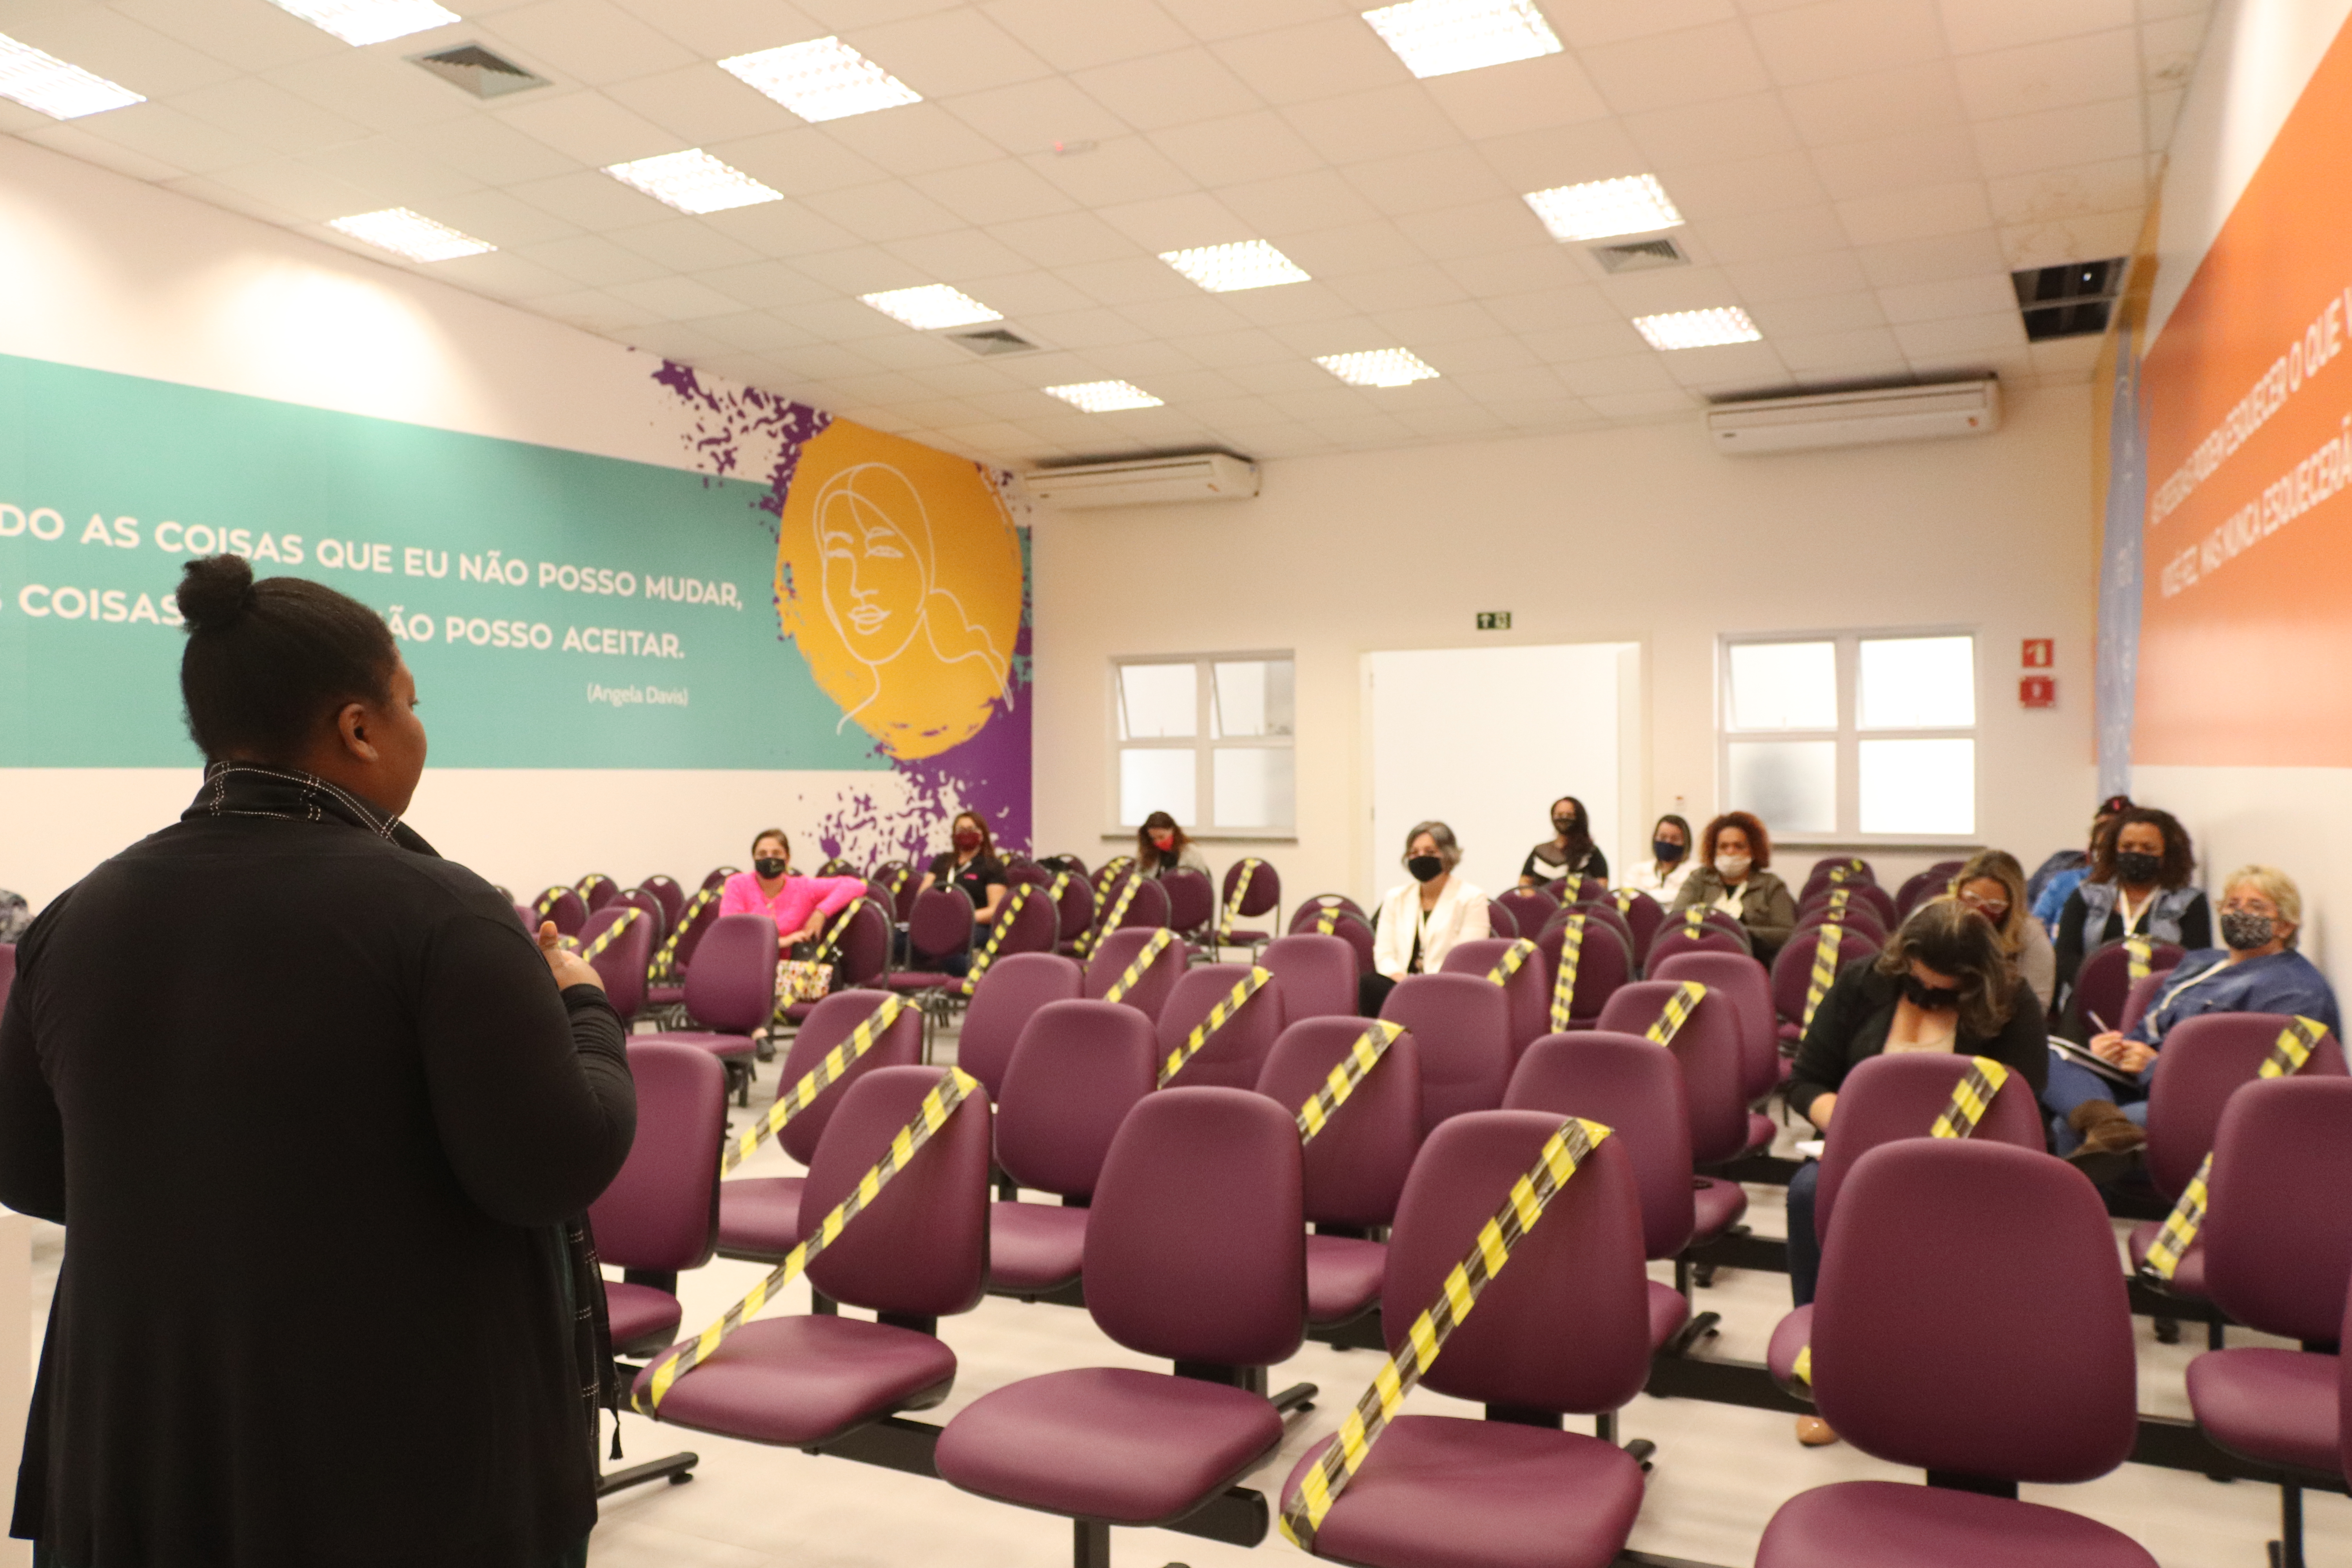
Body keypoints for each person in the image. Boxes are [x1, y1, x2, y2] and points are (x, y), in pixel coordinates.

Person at [0, 556, 635, 1566]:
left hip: (144, 1446)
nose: (420, 730)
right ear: (360, 728)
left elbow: (33, 1168)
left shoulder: (77, 915)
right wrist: (588, 1009)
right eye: (412, 704)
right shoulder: (443, 914)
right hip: (394, 1458)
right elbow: (554, 1162)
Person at [1784, 897, 2048, 1448]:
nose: (1930, 996)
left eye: (1947, 990)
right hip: (1863, 1157)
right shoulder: (1862, 981)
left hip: (1967, 1165)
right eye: (1920, 982)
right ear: (1903, 959)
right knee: (1808, 1193)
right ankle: (1826, 1367)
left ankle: (1959, 1366)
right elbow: (1807, 1079)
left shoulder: (2011, 1002)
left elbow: (2024, 1103)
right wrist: (1853, 1121)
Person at [2043, 865, 2339, 1176]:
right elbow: (2150, 1027)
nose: (2240, 913)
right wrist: (2118, 1048)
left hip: (2200, 1103)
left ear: (2285, 926)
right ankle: (2106, 1124)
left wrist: (2157, 1066)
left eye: (2256, 907)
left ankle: (2103, 1139)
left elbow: (2260, 1079)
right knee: (2047, 1056)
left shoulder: (2295, 990)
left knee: (2069, 1123)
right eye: (2232, 905)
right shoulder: (2201, 963)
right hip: (2137, 1081)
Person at [2051, 806, 2211, 998]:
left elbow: (2197, 963)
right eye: (2127, 847)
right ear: (2114, 850)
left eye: (2148, 848)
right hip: (2090, 998)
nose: (2136, 853)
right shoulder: (2086, 896)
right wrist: (2099, 989)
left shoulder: (2189, 902)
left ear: (2167, 854)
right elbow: (2066, 956)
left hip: (2162, 1001)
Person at [1361, 821, 1490, 1016]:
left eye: (1430, 852)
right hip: (1399, 985)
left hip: (1447, 989)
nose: (1420, 858)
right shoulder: (1395, 897)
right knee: (1370, 984)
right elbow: (1384, 954)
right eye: (1414, 853)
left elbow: (1467, 959)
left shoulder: (1472, 898)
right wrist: (1402, 981)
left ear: (1448, 855)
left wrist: (1425, 986)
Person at [1668, 811, 1798, 963]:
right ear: (1714, 851)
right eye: (1724, 847)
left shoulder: (1771, 885)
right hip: (1701, 958)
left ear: (1753, 850)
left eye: (1739, 846)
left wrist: (1738, 932)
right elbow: (1676, 921)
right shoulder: (1699, 880)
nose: (1730, 852)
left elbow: (1787, 934)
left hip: (1754, 962)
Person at [719, 829, 867, 950]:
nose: (769, 858)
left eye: (776, 854)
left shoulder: (803, 887)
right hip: (748, 967)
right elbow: (731, 934)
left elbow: (856, 885)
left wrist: (821, 912)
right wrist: (783, 942)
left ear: (788, 859)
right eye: (762, 854)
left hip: (793, 973)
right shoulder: (737, 884)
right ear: (754, 858)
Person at [1951, 849, 2057, 1011]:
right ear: (1959, 892)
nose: (1979, 912)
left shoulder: (2030, 934)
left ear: (2012, 907)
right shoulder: (1938, 920)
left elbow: (2037, 1007)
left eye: (1994, 906)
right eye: (1972, 899)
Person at [917, 811, 1008, 974]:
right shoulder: (943, 861)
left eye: (971, 829)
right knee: (895, 940)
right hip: (938, 924)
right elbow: (922, 896)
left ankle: (980, 975)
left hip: (975, 925)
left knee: (943, 941)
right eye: (961, 830)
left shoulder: (992, 866)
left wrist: (960, 919)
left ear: (982, 834)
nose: (965, 834)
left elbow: (996, 911)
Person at [2030, 794, 2133, 934]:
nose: (2107, 853)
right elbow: (2033, 921)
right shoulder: (2062, 871)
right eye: (2102, 845)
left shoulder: (2138, 887)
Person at [1519, 796, 1608, 889]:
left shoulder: (1591, 853)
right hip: (1542, 902)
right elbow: (1524, 881)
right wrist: (1537, 900)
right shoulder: (1539, 851)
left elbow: (1602, 886)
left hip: (1578, 904)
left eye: (1569, 815)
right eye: (1559, 814)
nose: (1564, 818)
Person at [1619, 813, 1694, 902]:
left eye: (1675, 839)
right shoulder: (1637, 870)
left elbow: (1684, 899)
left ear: (1686, 843)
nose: (1668, 842)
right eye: (1663, 838)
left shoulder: (1695, 873)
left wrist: (1647, 896)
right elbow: (1629, 897)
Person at [1133, 810, 1210, 880]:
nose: (1158, 842)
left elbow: (1201, 884)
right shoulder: (1147, 853)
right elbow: (1138, 880)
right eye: (1154, 838)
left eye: (1162, 837)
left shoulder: (1191, 853)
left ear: (1173, 831)